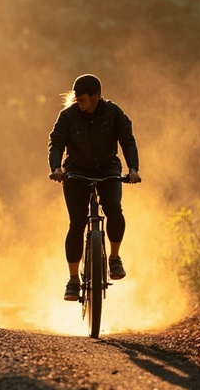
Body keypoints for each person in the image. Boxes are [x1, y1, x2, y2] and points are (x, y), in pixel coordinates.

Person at [48, 74, 141, 301]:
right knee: (77, 223)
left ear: (96, 97)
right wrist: (56, 168)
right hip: (76, 171)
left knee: (113, 210)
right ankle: (73, 280)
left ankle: (114, 258)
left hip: (107, 169)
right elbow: (56, 142)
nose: (77, 103)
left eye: (82, 100)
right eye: (76, 99)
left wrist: (133, 169)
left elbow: (127, 140)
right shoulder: (67, 117)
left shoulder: (114, 113)